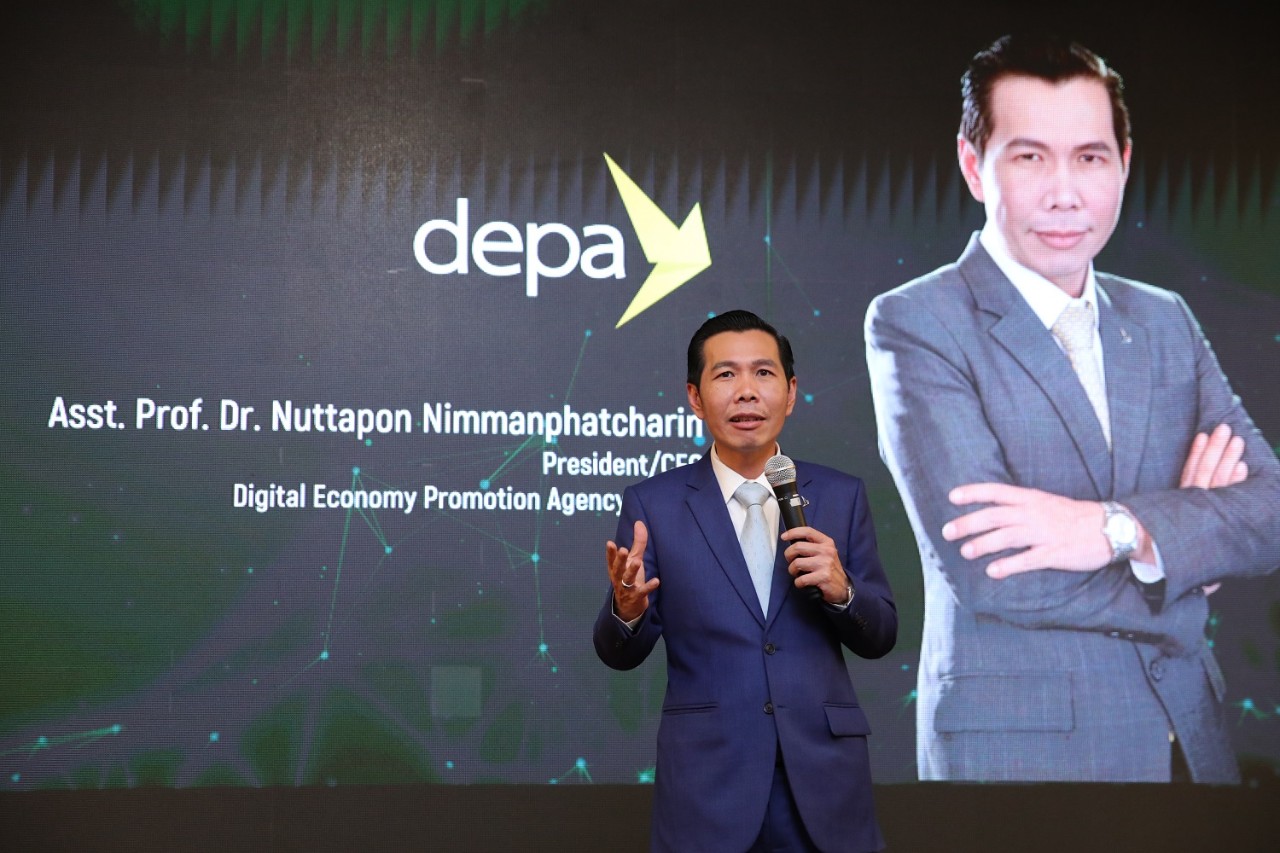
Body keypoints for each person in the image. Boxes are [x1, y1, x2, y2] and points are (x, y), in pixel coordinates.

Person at [865, 34, 1280, 783]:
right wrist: (1183, 558)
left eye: (1089, 158)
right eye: (1030, 157)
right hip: (1024, 761)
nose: (1065, 193)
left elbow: (1271, 509)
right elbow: (996, 574)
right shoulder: (916, 321)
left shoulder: (1164, 319)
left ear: (1124, 163)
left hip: (1191, 749)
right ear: (973, 165)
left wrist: (1114, 529)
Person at [594, 310, 897, 852]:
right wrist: (628, 609)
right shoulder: (654, 505)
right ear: (695, 396)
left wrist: (843, 591)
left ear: (791, 392)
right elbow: (617, 654)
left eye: (763, 373)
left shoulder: (841, 495)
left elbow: (881, 636)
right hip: (708, 786)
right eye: (726, 374)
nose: (747, 392)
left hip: (824, 784)